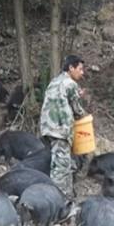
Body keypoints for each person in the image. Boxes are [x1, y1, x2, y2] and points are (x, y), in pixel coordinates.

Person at [40, 55, 87, 198]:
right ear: (71, 68)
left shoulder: (55, 81)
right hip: (60, 130)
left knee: (63, 163)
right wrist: (85, 115)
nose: (82, 72)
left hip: (48, 128)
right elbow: (77, 110)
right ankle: (58, 199)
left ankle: (67, 196)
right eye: (80, 69)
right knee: (60, 169)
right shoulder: (70, 83)